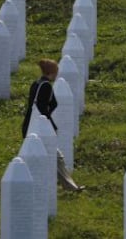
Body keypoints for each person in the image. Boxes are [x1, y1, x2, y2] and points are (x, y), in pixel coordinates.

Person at [22, 58, 85, 192]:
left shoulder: (35, 84)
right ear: (52, 72)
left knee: (49, 158)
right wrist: (51, 127)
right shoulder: (46, 86)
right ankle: (70, 187)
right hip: (41, 130)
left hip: (29, 126)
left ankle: (70, 186)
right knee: (57, 158)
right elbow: (45, 108)